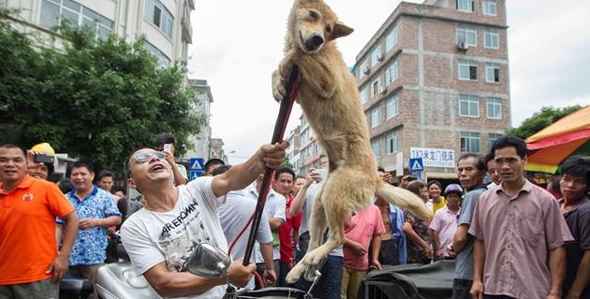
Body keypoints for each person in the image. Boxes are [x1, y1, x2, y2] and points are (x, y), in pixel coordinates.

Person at [120, 141, 288, 298]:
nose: (155, 158)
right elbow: (163, 283)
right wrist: (226, 276)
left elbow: (230, 178)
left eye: (160, 156)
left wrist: (259, 159)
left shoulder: (196, 189)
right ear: (132, 182)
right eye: (142, 159)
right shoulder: (135, 226)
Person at [469, 136, 574, 299]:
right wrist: (477, 279)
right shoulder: (484, 200)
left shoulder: (545, 201)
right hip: (492, 289)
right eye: (499, 161)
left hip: (532, 290)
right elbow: (480, 241)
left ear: (524, 160)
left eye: (511, 160)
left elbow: (557, 247)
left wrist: (555, 291)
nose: (504, 167)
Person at [0, 144, 79, 299]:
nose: (10, 164)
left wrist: (63, 257)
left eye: (17, 160)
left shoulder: (45, 188)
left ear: (26, 164)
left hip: (37, 276)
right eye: (3, 160)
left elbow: (72, 220)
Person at [213, 165, 276, 290]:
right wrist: (269, 268)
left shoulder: (203, 205)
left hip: (208, 280)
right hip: (242, 279)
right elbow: (266, 243)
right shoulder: (254, 206)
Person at [65, 162, 122, 298]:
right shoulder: (65, 198)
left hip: (94, 258)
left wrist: (95, 222)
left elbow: (116, 219)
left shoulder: (104, 197)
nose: (79, 177)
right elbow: (59, 225)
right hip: (68, 259)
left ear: (92, 176)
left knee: (93, 295)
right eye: (75, 174)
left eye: (83, 174)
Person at [290, 161, 344, 299]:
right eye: (323, 165)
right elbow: (293, 211)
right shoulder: (311, 188)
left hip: (333, 252)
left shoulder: (342, 187)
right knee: (304, 293)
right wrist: (306, 185)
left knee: (331, 295)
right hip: (309, 249)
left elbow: (347, 222)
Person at [448, 153, 487, 299]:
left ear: (482, 173)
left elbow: (460, 237)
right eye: (460, 170)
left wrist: (454, 248)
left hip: (467, 271)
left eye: (469, 169)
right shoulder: (487, 194)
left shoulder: (472, 196)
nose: (463, 174)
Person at [245, 171, 286, 288]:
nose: (263, 175)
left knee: (269, 293)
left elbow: (278, 222)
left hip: (271, 257)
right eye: (261, 172)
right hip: (246, 257)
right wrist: (267, 222)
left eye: (268, 172)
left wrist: (251, 219)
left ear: (273, 177)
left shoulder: (279, 198)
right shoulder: (245, 194)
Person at [558, 155, 590, 298]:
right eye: (567, 179)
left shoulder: (585, 210)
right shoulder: (555, 205)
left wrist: (575, 291)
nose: (570, 185)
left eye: (579, 181)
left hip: (575, 288)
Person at [341, 204, 385, 299]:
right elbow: (334, 232)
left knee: (356, 295)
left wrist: (375, 258)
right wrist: (352, 245)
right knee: (340, 296)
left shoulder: (374, 209)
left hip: (361, 263)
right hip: (340, 261)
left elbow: (377, 235)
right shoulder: (345, 205)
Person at [272, 167, 302, 287]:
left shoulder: (295, 206)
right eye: (282, 181)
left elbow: (296, 233)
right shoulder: (267, 201)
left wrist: (293, 257)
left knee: (284, 290)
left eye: (289, 182)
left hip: (286, 256)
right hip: (268, 254)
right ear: (275, 182)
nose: (285, 184)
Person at [375, 167, 407, 266]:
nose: (381, 180)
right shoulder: (366, 205)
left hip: (389, 244)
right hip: (370, 246)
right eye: (377, 178)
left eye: (382, 177)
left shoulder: (395, 208)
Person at [429, 184, 462, 260]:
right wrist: (438, 249)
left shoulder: (463, 212)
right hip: (444, 253)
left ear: (460, 198)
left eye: (455, 196)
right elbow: (434, 231)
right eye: (450, 196)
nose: (453, 199)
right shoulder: (439, 213)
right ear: (446, 198)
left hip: (460, 252)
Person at [403, 180, 432, 263]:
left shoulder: (420, 208)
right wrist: (425, 245)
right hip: (415, 257)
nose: (428, 194)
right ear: (416, 194)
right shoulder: (413, 209)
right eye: (425, 191)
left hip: (422, 255)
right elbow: (406, 228)